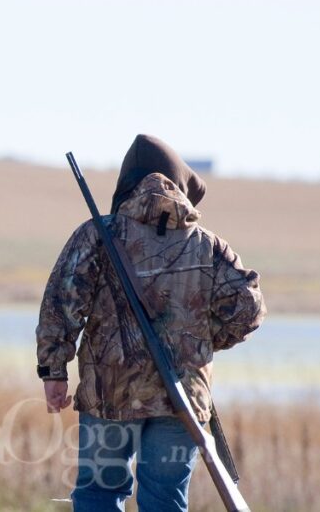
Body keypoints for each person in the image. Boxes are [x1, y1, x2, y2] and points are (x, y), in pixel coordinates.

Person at [35, 134, 266, 512]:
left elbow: (61, 306)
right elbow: (249, 309)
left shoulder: (98, 233)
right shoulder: (209, 246)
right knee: (165, 503)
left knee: (99, 495)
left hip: (110, 397)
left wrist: (53, 371)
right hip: (181, 402)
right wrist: (202, 342)